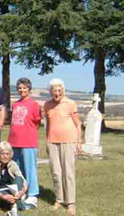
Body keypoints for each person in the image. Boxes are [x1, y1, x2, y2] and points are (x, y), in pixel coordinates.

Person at [44, 78, 82, 216]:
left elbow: (78, 124)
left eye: (59, 90)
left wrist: (79, 142)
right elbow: (48, 125)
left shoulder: (70, 103)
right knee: (56, 172)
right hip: (52, 142)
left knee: (68, 173)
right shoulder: (47, 105)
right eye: (54, 90)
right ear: (50, 92)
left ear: (63, 91)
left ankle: (71, 203)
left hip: (69, 141)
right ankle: (59, 199)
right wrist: (47, 141)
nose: (57, 93)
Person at [8, 78, 41, 209]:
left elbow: (37, 122)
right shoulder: (15, 104)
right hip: (14, 141)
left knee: (30, 168)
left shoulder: (34, 105)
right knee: (17, 169)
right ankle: (21, 191)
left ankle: (33, 193)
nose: (22, 90)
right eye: (20, 88)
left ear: (29, 89)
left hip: (28, 141)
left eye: (25, 88)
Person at [0, 141, 27, 216]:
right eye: (2, 154)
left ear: (10, 155)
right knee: (9, 200)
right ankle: (18, 206)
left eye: (7, 154)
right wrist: (3, 197)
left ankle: (15, 208)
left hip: (10, 190)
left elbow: (22, 178)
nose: (5, 156)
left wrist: (23, 191)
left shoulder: (13, 164)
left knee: (18, 179)